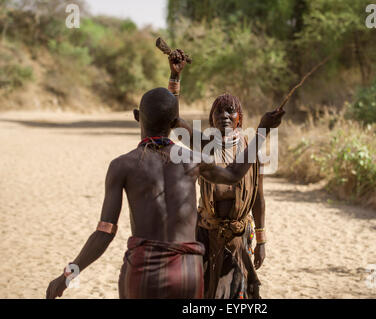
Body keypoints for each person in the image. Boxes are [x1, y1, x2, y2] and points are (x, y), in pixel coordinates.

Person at [45, 64, 285, 298]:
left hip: (142, 274)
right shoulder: (193, 160)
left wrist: (68, 275)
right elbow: (234, 174)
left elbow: (104, 232)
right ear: (175, 125)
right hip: (187, 274)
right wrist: (263, 129)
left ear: (137, 117)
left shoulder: (122, 165)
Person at [168, 50, 269, 299]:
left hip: (239, 235)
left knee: (237, 294)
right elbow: (172, 120)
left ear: (239, 119)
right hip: (206, 233)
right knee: (205, 293)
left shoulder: (250, 149)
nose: (224, 116)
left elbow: (258, 197)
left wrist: (262, 241)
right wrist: (175, 76)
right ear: (212, 119)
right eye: (219, 112)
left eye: (230, 112)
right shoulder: (204, 144)